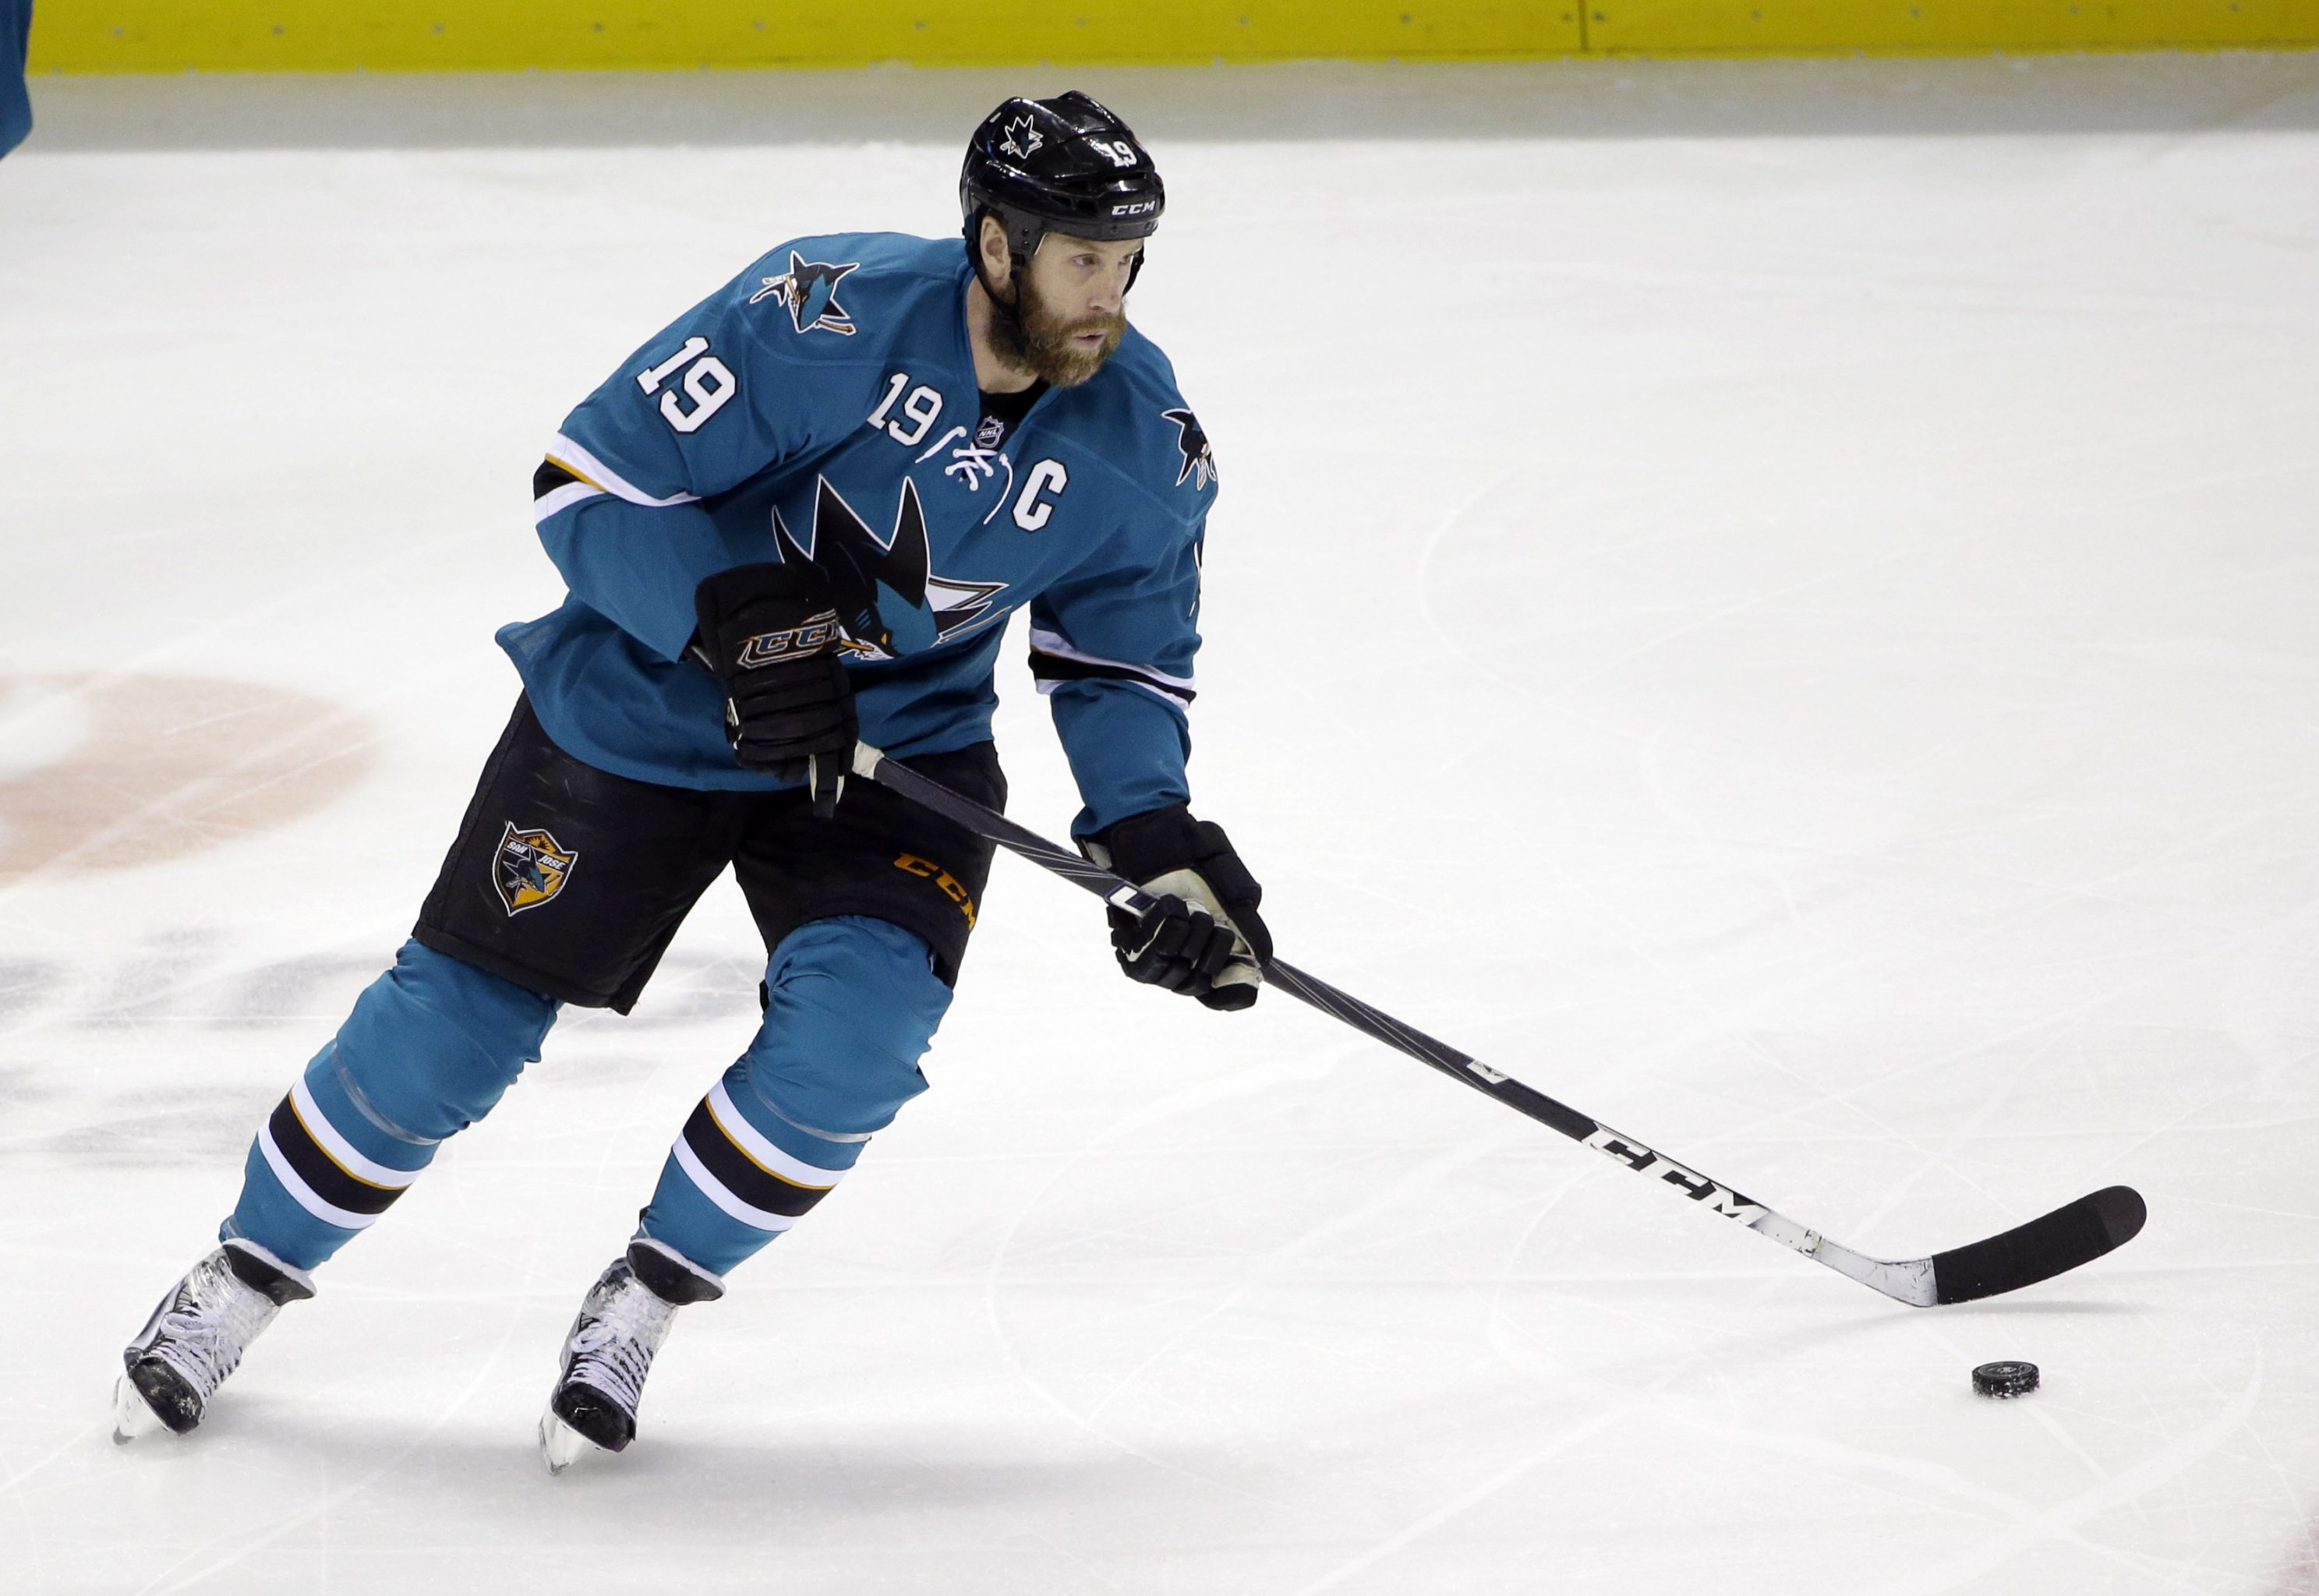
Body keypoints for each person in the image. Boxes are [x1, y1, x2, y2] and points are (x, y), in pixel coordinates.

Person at [111, 90, 1270, 1473]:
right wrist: (722, 616)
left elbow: (1120, 664)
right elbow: (583, 483)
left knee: (855, 1050)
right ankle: (244, 1274)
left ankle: (648, 1295)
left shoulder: (1144, 439)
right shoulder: (819, 314)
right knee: (448, 1038)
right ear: (996, 243)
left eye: (1132, 257)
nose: (1112, 293)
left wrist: (1152, 833)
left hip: (889, 755)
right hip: (646, 712)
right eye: (1083, 256)